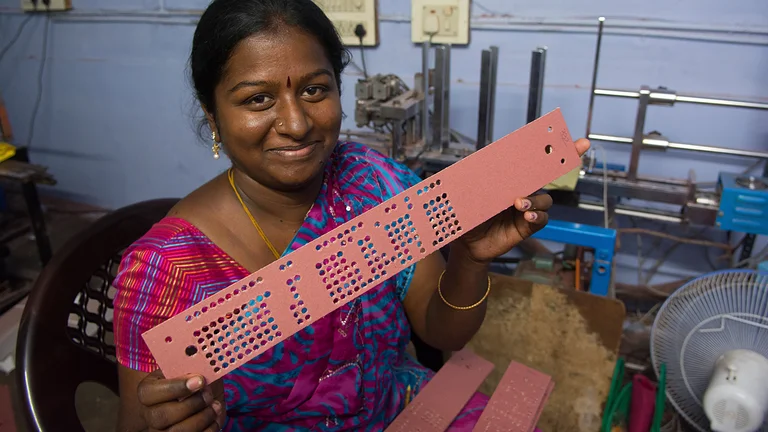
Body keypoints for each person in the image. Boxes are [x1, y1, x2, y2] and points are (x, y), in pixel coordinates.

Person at [112, 0, 590, 430]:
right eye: (258, 99)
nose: (297, 124)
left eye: (315, 90)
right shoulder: (163, 271)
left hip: (397, 407)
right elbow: (139, 421)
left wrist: (470, 259)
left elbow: (441, 330)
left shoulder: (369, 182)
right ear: (213, 115)